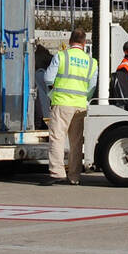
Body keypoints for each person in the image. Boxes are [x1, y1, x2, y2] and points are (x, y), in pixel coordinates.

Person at [41, 28, 97, 185]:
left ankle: (57, 172)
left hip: (62, 103)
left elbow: (48, 78)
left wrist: (51, 95)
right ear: (84, 42)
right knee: (76, 142)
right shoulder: (91, 62)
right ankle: (74, 176)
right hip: (80, 105)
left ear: (70, 41)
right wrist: (85, 99)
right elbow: (92, 86)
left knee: (57, 138)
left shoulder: (62, 56)